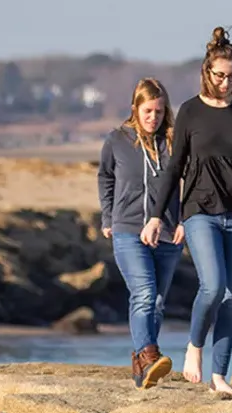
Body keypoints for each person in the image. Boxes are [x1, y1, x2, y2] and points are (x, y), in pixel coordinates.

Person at [141, 26, 232, 395]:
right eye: (220, 75)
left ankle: (219, 376)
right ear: (207, 73)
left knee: (231, 297)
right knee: (213, 286)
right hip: (200, 210)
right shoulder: (190, 111)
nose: (226, 82)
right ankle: (195, 347)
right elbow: (174, 167)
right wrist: (158, 215)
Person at [97, 77, 184, 390]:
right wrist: (108, 216)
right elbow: (105, 177)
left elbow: (189, 184)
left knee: (158, 302)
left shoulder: (175, 142)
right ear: (135, 108)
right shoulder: (117, 140)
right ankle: (150, 354)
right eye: (148, 111)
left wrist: (184, 220)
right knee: (144, 294)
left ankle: (141, 364)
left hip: (169, 231)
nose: (153, 118)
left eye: (159, 112)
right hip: (128, 229)